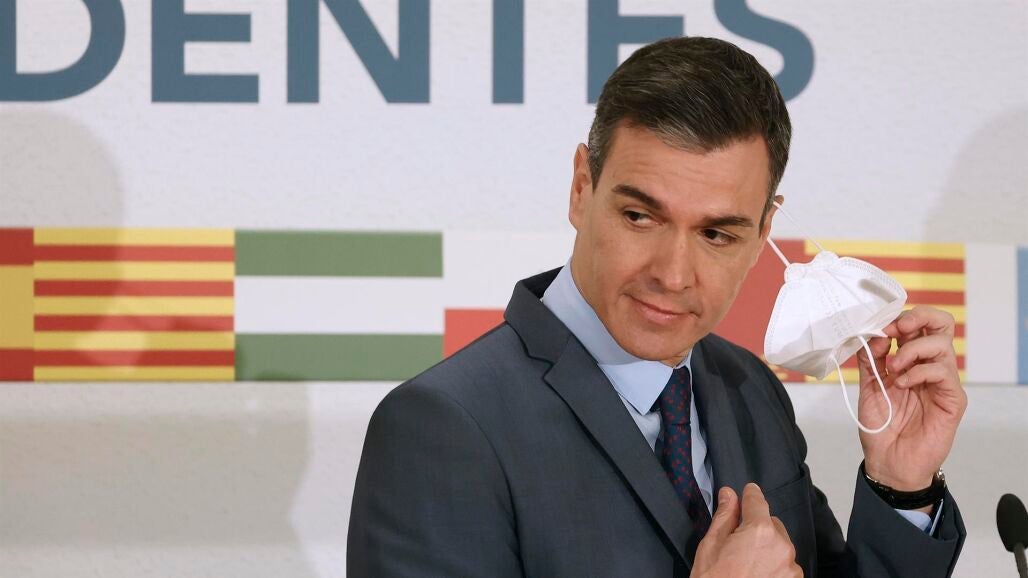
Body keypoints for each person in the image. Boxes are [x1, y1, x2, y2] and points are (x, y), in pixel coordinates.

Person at [347, 36, 967, 577]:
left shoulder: (749, 386)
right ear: (581, 188)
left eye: (717, 234)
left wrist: (900, 485)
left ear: (763, 232)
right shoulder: (442, 426)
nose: (672, 275)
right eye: (640, 217)